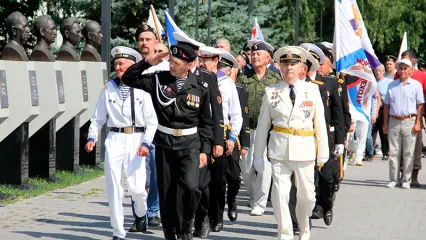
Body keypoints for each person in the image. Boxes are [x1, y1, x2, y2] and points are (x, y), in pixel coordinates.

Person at [121, 39, 214, 240]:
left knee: (192, 187)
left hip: (190, 145)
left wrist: (205, 150)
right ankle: (170, 232)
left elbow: (206, 122)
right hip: (165, 142)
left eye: (177, 63)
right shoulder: (157, 80)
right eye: (171, 60)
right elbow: (128, 79)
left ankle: (187, 224)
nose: (171, 64)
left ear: (189, 65)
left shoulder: (200, 87)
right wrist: (148, 61)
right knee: (167, 192)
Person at [254, 46, 329, 240]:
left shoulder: (312, 91)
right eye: (286, 64)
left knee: (307, 196)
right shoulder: (272, 92)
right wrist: (258, 156)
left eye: (294, 63)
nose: (289, 68)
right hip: (279, 151)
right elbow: (262, 127)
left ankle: (304, 229)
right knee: (280, 195)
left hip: (305, 150)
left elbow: (320, 124)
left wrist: (323, 153)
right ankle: (285, 233)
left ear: (302, 67)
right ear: (279, 67)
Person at [85, 46, 158, 240]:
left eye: (121, 64)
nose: (117, 67)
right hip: (115, 138)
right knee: (114, 187)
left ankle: (141, 214)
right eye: (115, 64)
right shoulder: (108, 88)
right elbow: (98, 117)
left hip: (137, 139)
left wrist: (146, 143)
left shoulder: (142, 86)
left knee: (137, 189)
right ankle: (118, 232)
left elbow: (152, 121)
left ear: (132, 65)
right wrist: (92, 137)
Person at [299, 43, 345, 226]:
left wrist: (340, 141)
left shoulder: (329, 83)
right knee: (308, 178)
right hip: (303, 137)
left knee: (326, 177)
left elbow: (338, 113)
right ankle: (310, 212)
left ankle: (326, 205)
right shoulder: (298, 84)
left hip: (324, 137)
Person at [198, 46, 243, 233]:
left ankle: (217, 216)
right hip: (201, 135)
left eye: (207, 59)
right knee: (202, 180)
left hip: (221, 136)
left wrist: (232, 138)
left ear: (216, 61)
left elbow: (236, 114)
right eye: (201, 58)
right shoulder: (196, 79)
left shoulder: (226, 83)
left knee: (218, 180)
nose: (203, 62)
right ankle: (203, 217)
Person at [237, 41, 281, 216]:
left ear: (268, 58)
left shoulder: (275, 79)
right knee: (246, 169)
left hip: (267, 130)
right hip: (246, 129)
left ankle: (260, 203)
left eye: (258, 54)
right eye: (253, 54)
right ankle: (253, 196)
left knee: (264, 166)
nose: (254, 56)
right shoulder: (243, 77)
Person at [129, 24, 165, 230]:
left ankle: (153, 212)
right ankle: (139, 216)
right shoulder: (134, 66)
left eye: (148, 39)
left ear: (156, 42)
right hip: (136, 129)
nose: (144, 43)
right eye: (141, 39)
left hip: (158, 130)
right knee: (137, 176)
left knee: (156, 175)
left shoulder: (163, 68)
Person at [383, 58, 424, 189]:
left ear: (411, 70)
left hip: (409, 120)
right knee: (393, 152)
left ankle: (406, 179)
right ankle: (393, 179)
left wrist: (418, 122)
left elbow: (420, 105)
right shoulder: (392, 85)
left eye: (405, 68)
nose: (402, 71)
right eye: (400, 68)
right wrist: (385, 123)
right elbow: (387, 106)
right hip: (394, 120)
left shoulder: (416, 85)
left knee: (408, 152)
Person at [220, 50, 250, 224]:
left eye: (224, 68)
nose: (222, 71)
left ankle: (231, 200)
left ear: (231, 70)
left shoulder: (238, 89)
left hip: (233, 136)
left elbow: (242, 117)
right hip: (215, 135)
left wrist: (244, 143)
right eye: (219, 67)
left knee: (234, 177)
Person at [374, 64, 392, 160]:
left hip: (385, 108)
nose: (378, 73)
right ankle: (370, 151)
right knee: (373, 130)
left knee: (383, 131)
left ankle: (386, 152)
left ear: (383, 72)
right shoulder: (373, 82)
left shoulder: (388, 82)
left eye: (380, 71)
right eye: (376, 71)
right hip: (375, 108)